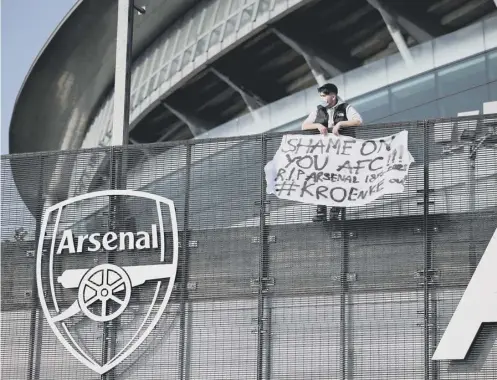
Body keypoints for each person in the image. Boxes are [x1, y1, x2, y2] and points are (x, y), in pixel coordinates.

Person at [301, 83, 363, 222]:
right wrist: (318, 125)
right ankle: (321, 211)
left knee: (339, 180)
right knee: (321, 178)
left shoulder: (346, 107)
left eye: (324, 96)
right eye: (321, 96)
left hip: (342, 153)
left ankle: (335, 211)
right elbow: (304, 126)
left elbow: (358, 121)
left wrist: (340, 124)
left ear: (333, 96)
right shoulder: (318, 110)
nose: (322, 99)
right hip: (323, 153)